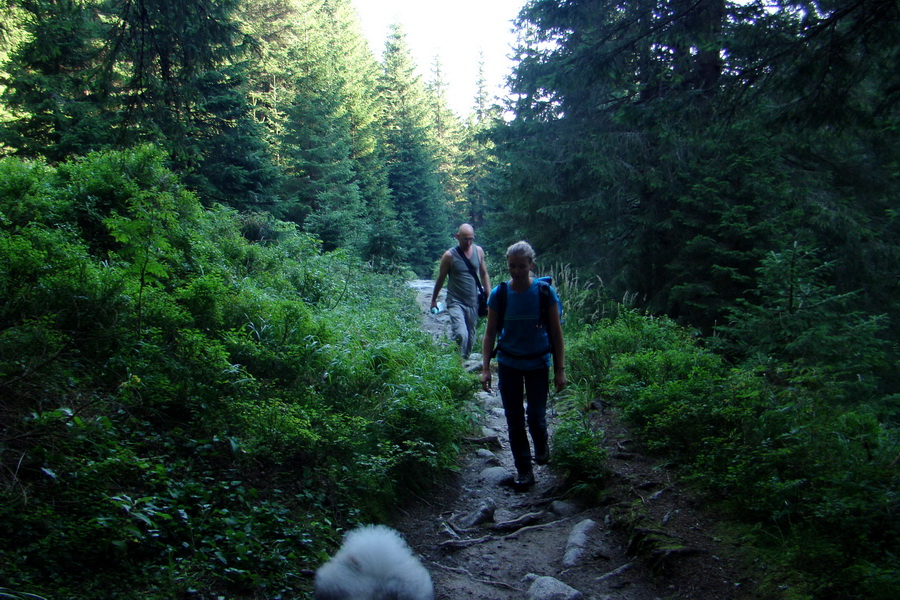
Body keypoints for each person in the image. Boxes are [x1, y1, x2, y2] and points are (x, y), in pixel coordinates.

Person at [481, 241, 566, 489]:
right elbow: (489, 334)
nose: (516, 271)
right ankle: (524, 471)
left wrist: (560, 371)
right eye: (512, 266)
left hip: (539, 363)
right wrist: (486, 368)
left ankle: (541, 444)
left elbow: (556, 333)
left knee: (536, 416)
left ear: (531, 265)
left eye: (521, 266)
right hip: (509, 364)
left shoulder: (544, 292)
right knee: (514, 419)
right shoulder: (500, 294)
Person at [430, 224, 490, 358]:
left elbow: (484, 273)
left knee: (470, 338)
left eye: (471, 239)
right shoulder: (449, 256)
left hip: (473, 302)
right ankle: (457, 364)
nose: (468, 242)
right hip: (455, 301)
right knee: (461, 334)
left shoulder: (478, 251)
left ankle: (464, 364)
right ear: (458, 237)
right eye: (465, 239)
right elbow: (441, 278)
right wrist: (433, 300)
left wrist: (489, 297)